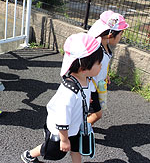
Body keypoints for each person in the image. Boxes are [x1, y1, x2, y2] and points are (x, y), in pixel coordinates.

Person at [21, 33, 103, 163]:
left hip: (75, 126)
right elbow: (62, 117)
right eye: (98, 63)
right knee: (49, 150)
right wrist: (64, 139)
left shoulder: (86, 80)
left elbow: (85, 96)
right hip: (60, 131)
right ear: (83, 68)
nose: (101, 66)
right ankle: (29, 155)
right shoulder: (69, 91)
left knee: (76, 150)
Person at [87, 10, 129, 125]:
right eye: (121, 34)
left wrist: (105, 75)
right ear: (111, 35)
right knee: (97, 114)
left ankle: (82, 128)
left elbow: (101, 66)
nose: (121, 37)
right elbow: (86, 71)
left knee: (91, 111)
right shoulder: (97, 51)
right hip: (90, 88)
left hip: (97, 85)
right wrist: (87, 91)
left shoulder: (104, 46)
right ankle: (78, 133)